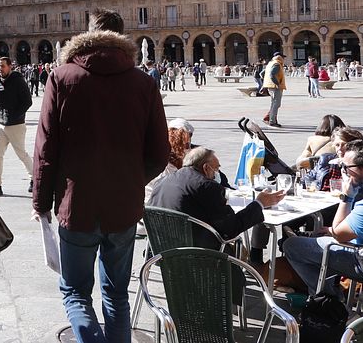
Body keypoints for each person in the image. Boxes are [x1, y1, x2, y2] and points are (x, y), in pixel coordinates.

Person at [33, 8, 169, 343]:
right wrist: (133, 178)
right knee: (117, 295)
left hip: (76, 205)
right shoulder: (143, 83)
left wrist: (41, 200)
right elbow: (160, 153)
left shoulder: (62, 78)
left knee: (76, 292)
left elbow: (45, 148)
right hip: (123, 207)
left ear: (87, 33)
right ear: (123, 39)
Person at [149, 147, 285, 243]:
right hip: (195, 252)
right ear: (206, 168)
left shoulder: (163, 180)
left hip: (161, 247)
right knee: (233, 243)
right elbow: (230, 228)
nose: (217, 173)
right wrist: (259, 203)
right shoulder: (206, 186)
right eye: (217, 168)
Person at [284, 137, 363, 296]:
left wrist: (347, 197)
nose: (343, 172)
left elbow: (338, 234)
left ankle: (328, 300)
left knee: (292, 245)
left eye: (346, 167)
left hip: (358, 259)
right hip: (353, 243)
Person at [0, 57, 34, 196]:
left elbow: (27, 101)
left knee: (21, 154)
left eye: (3, 66)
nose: (0, 69)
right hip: (0, 123)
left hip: (15, 125)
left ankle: (35, 179)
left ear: (10, 66)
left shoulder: (17, 80)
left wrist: (14, 116)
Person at [144, 124, 192, 204]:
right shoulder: (168, 167)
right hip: (158, 204)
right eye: (187, 145)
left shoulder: (157, 154)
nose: (189, 148)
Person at [262, 52, 287, 127]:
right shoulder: (277, 64)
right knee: (276, 104)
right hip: (275, 87)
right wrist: (277, 83)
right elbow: (272, 74)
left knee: (274, 104)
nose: (284, 59)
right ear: (280, 58)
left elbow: (262, 74)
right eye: (283, 57)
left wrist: (267, 81)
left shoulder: (270, 63)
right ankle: (272, 121)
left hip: (270, 86)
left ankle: (268, 118)